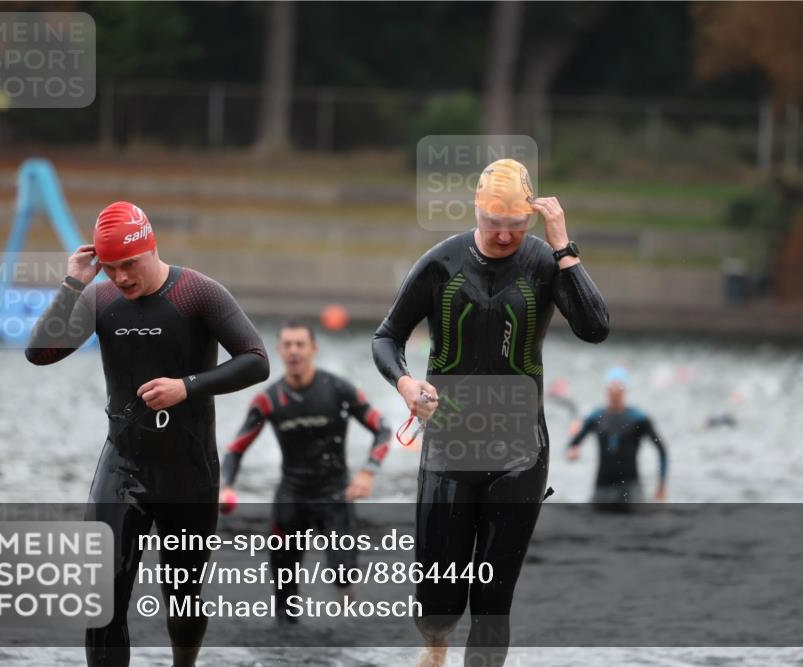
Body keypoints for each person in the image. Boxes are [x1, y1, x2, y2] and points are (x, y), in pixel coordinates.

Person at [371, 158, 609, 667]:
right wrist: (406, 383)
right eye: (494, 224)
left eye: (517, 226)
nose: (504, 236)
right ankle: (435, 644)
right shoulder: (442, 263)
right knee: (438, 601)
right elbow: (386, 337)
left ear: (533, 216)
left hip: (521, 453)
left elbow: (595, 328)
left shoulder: (545, 263)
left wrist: (563, 245)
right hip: (449, 448)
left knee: (493, 600)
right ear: (477, 212)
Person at [25, 201, 269, 667]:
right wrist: (74, 283)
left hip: (188, 471)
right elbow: (39, 353)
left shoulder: (197, 293)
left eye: (129, 264)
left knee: (183, 596)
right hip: (123, 465)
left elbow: (256, 360)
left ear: (151, 247)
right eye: (110, 267)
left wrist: (187, 386)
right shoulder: (100, 300)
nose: (120, 277)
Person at [219, 319, 393, 620]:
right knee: (284, 593)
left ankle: (347, 628)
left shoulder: (338, 389)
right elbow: (235, 449)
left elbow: (383, 429)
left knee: (343, 576)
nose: (294, 351)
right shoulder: (268, 399)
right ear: (278, 351)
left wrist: (368, 472)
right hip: (291, 496)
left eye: (300, 344)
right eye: (287, 345)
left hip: (335, 495)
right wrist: (226, 486)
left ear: (313, 349)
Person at [566, 366, 668, 508]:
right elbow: (573, 444)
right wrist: (572, 449)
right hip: (602, 488)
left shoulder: (638, 419)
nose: (614, 393)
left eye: (618, 389)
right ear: (606, 391)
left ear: (625, 391)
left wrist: (661, 485)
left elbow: (661, 449)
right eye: (611, 389)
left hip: (631, 490)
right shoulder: (596, 417)